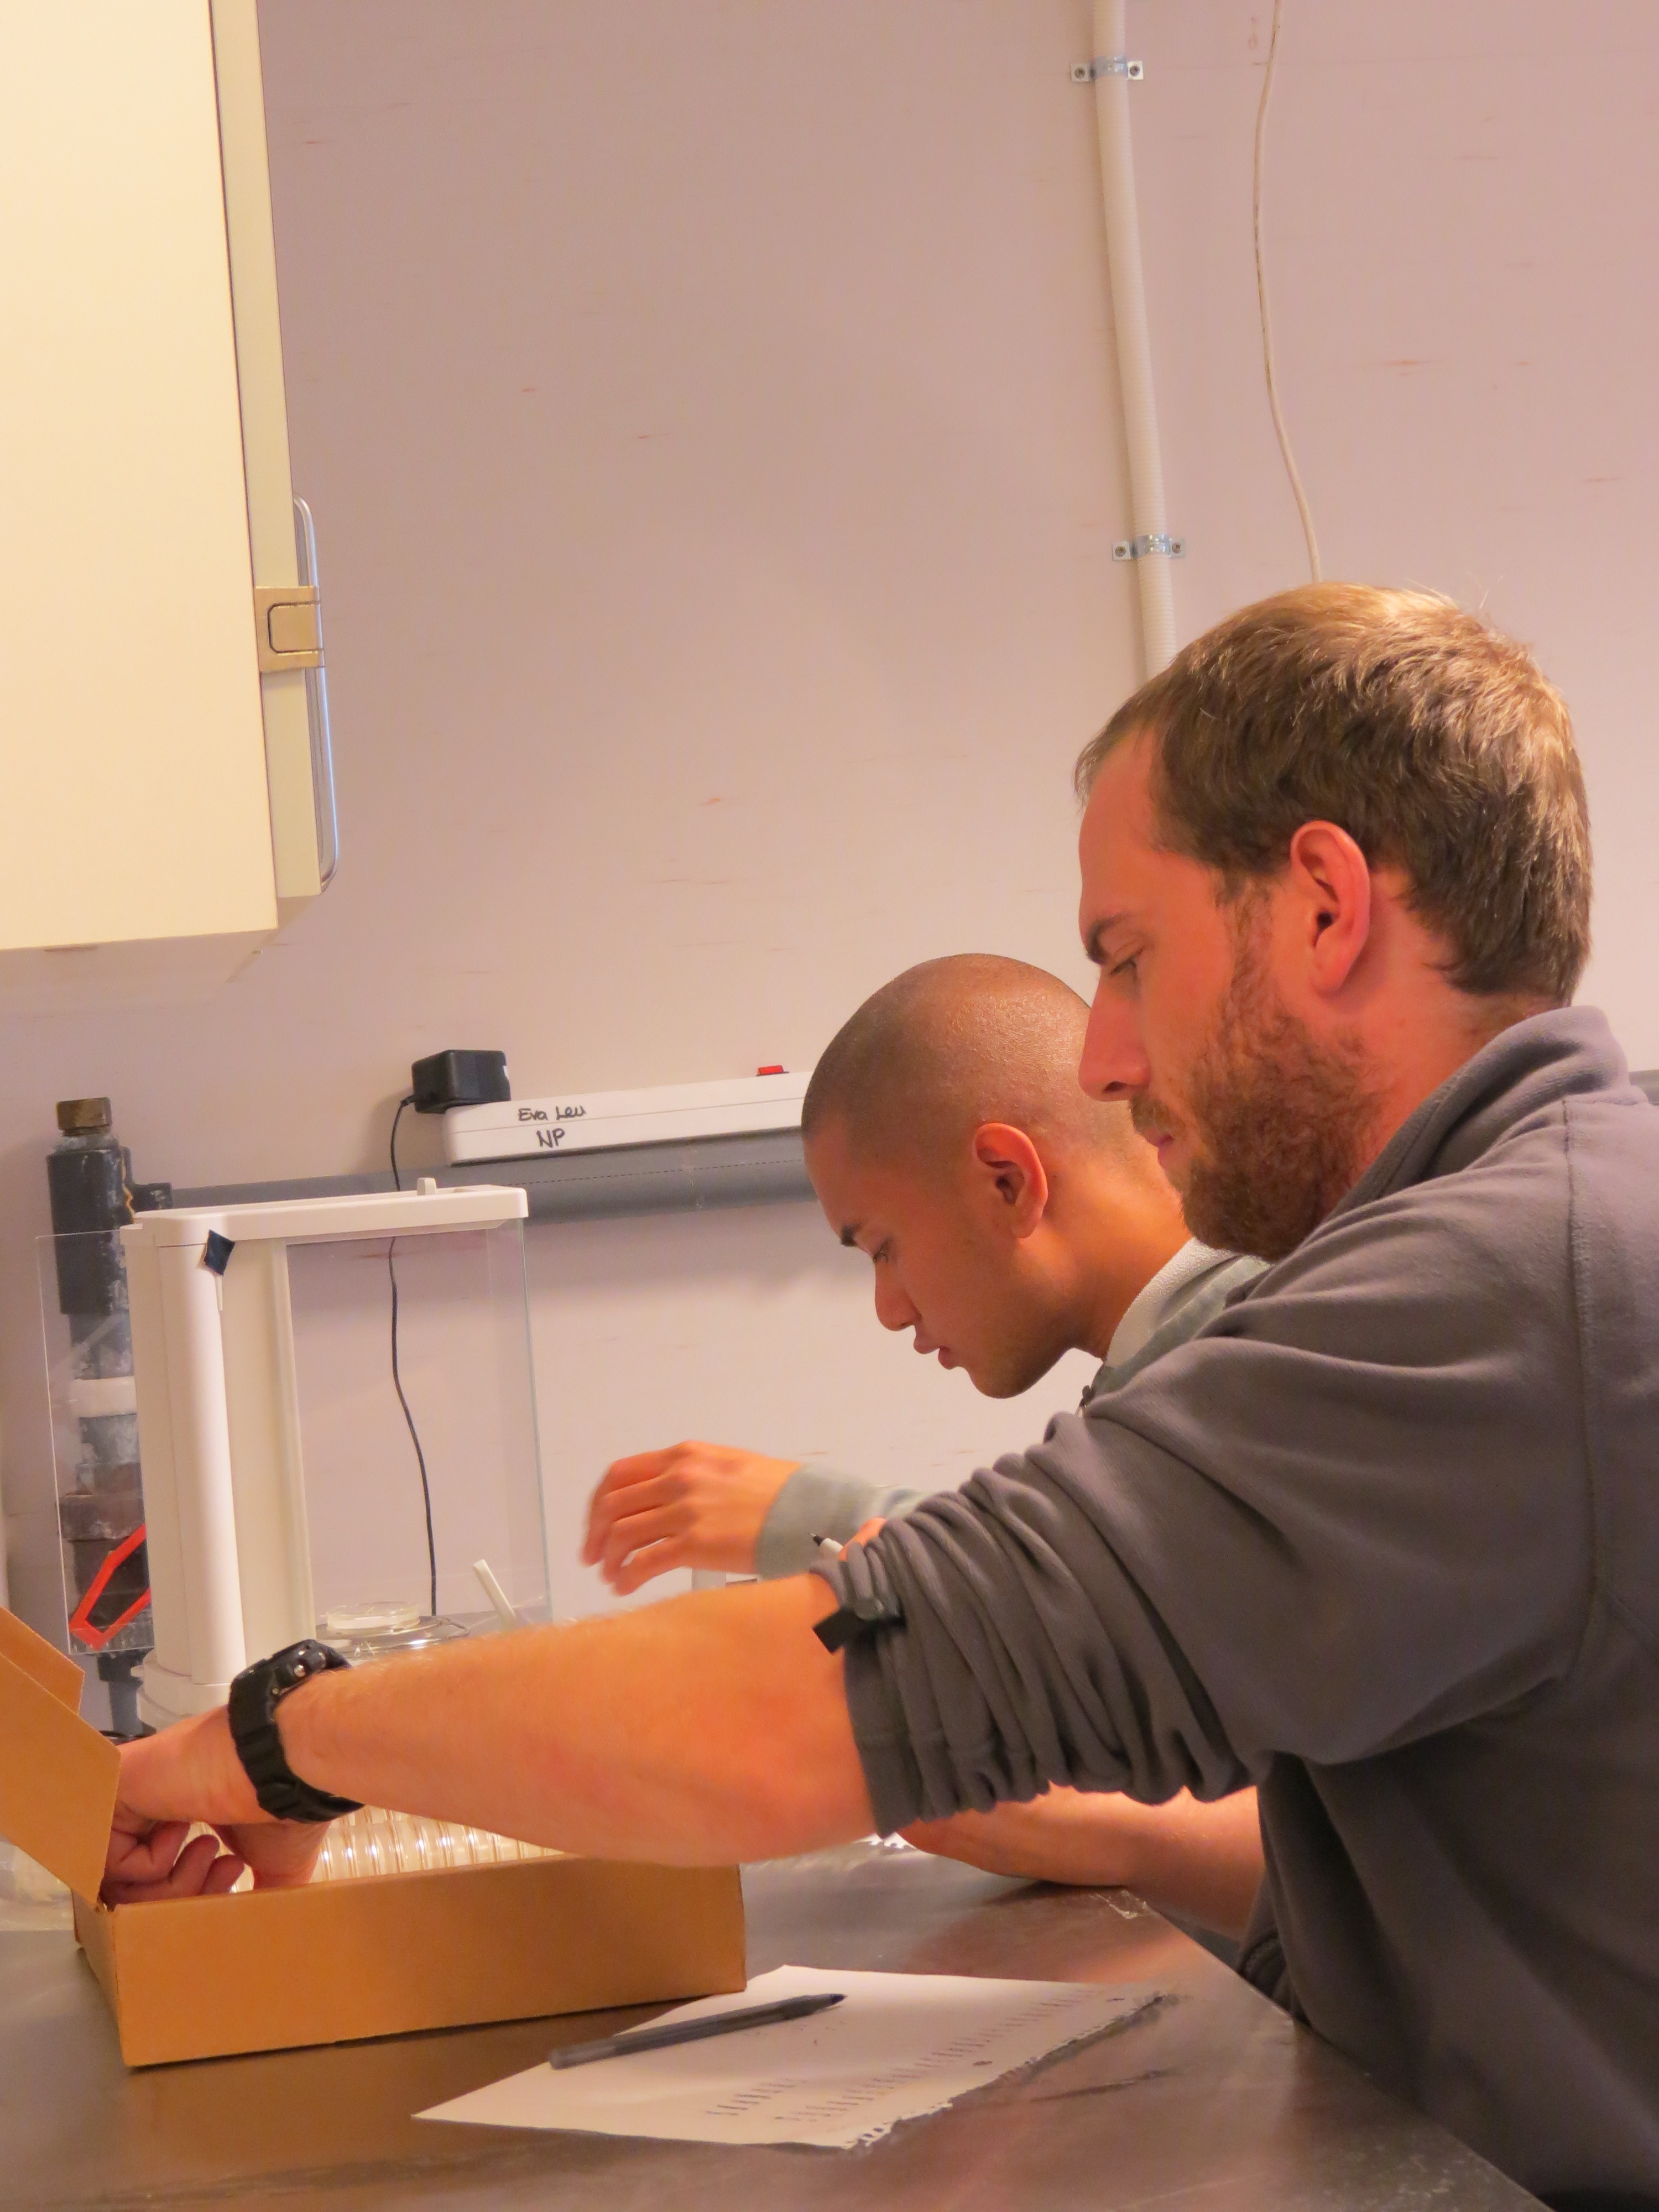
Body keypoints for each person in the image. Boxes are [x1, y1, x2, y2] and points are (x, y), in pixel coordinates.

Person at [105, 586, 1659, 2208]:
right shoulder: (1545, 1238)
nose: (1106, 1058)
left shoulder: (1498, 1293)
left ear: (1325, 908)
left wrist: (274, 1738)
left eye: (1128, 959)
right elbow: (1460, 1896)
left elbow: (803, 1704)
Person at [582, 952, 1265, 1934]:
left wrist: (809, 1520)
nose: (890, 1309)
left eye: (883, 1248)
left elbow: (1070, 1591)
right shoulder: (1167, 1375)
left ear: (1007, 1180)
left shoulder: (1251, 1368)